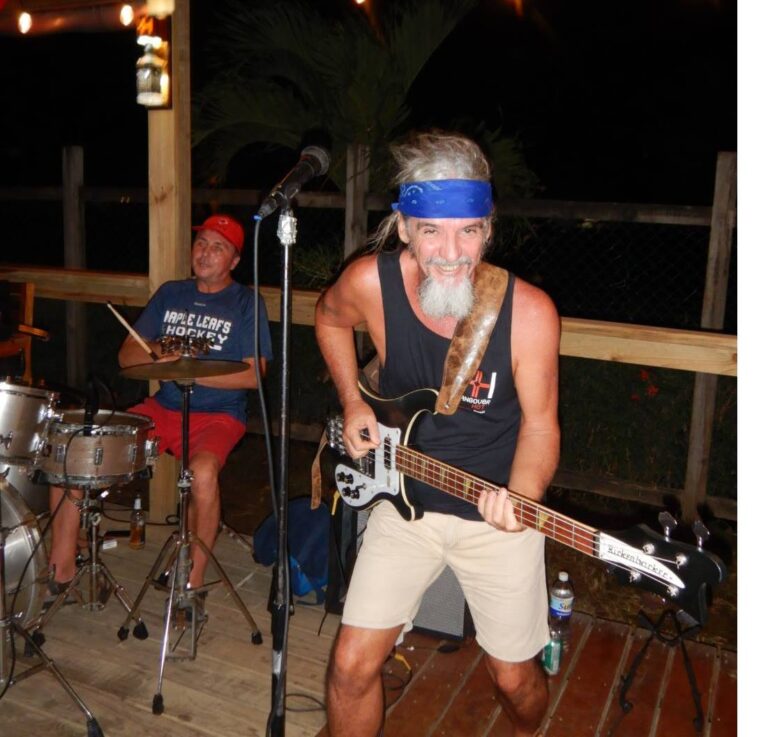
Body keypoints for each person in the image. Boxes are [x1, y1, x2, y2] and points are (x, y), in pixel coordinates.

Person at [315, 132, 560, 737]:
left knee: (514, 682)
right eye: (431, 230)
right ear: (403, 228)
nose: (451, 251)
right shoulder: (370, 284)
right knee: (349, 668)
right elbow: (327, 316)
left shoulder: (528, 313)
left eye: (469, 230)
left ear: (488, 230)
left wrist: (521, 500)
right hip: (404, 508)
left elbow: (540, 425)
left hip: (497, 520)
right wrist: (351, 401)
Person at [48, 213, 273, 609]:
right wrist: (168, 355)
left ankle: (193, 579)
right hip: (163, 407)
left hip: (219, 415)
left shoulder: (245, 302)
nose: (205, 253)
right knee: (74, 453)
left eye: (218, 247)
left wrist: (189, 369)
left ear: (235, 260)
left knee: (202, 473)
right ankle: (61, 569)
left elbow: (254, 376)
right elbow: (129, 353)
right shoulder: (171, 293)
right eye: (201, 243)